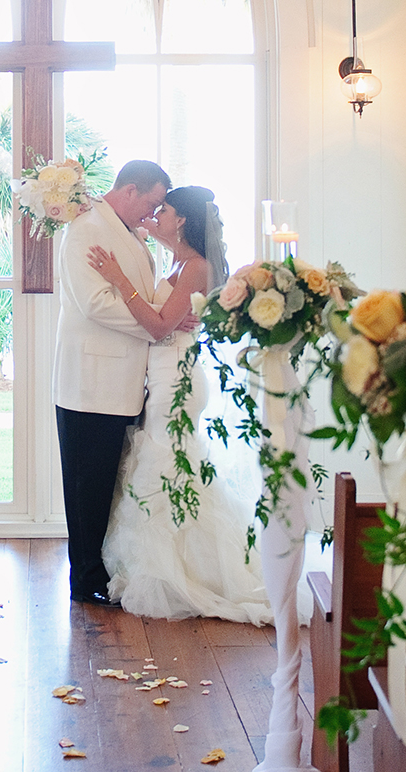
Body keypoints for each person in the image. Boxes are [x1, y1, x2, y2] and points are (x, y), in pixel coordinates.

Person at [87, 186, 273, 623]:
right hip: (167, 374)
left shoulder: (196, 267)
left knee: (167, 464)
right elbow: (154, 233)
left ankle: (183, 573)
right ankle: (175, 562)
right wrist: (128, 218)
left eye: (163, 209)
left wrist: (119, 279)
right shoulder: (179, 257)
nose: (155, 214)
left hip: (178, 380)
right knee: (172, 464)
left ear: (183, 220)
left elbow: (156, 327)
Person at [53, 159, 171, 606]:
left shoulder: (128, 231)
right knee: (86, 488)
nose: (152, 215)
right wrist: (157, 325)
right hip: (90, 381)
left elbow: (140, 290)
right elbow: (96, 303)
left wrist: (171, 316)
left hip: (121, 380)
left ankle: (99, 573)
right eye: (151, 203)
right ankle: (84, 583)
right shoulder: (86, 228)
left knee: (107, 486)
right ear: (130, 190)